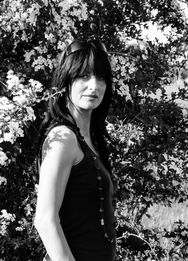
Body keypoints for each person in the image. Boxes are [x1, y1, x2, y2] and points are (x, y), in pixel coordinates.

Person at [34, 38, 116, 261]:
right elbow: (44, 219)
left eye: (100, 77)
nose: (93, 86)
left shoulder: (90, 138)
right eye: (83, 76)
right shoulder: (63, 138)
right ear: (66, 80)